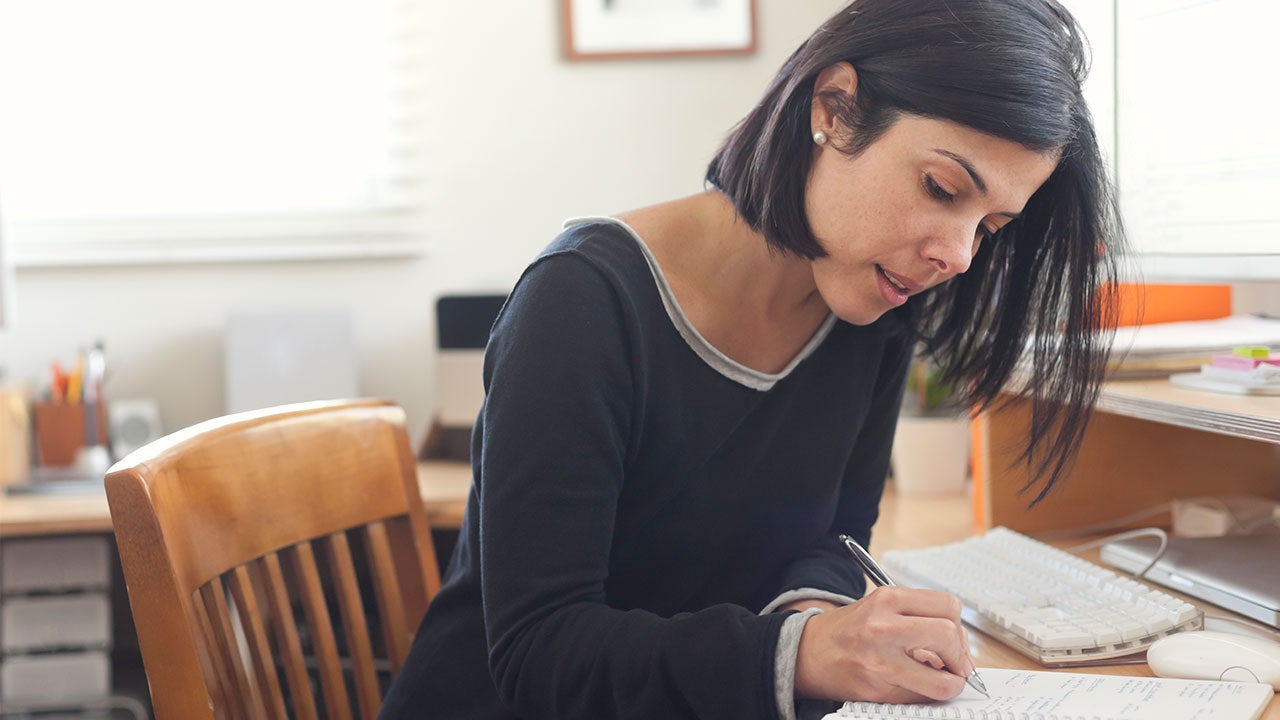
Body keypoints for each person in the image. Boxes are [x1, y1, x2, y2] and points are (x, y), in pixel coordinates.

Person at [379, 0, 1123, 717]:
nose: (958, 256)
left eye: (989, 227)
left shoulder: (871, 305)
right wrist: (802, 655)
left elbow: (836, 537)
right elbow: (539, 653)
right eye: (941, 187)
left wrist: (814, 618)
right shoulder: (581, 299)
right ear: (834, 109)